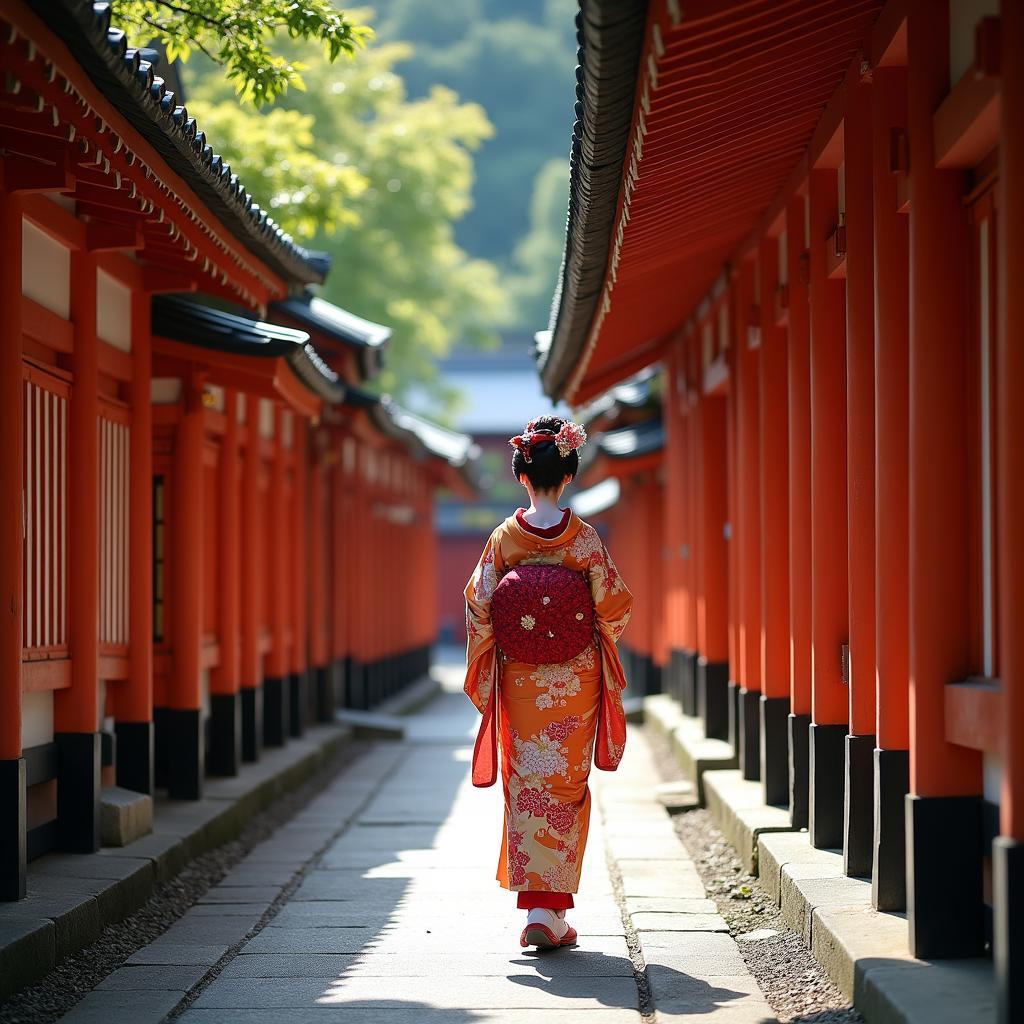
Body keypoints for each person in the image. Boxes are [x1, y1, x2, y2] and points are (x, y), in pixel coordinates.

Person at [464, 415, 633, 950]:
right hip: (574, 682)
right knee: (566, 787)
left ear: (521, 475)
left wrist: (517, 635)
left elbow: (479, 606)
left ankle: (537, 909)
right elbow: (613, 604)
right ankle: (550, 912)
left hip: (520, 681)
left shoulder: (504, 538)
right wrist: (573, 624)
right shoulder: (583, 540)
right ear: (568, 475)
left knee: (525, 786)